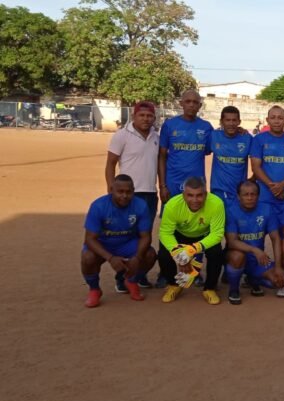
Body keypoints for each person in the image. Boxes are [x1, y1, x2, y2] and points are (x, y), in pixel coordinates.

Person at [157, 90, 213, 288]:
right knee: (169, 230)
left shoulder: (206, 128)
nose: (191, 105)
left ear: (199, 105)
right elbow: (162, 156)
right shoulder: (170, 125)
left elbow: (213, 147)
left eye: (195, 102)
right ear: (181, 103)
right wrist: (162, 185)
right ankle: (166, 272)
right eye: (187, 101)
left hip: (197, 188)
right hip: (172, 185)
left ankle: (193, 271)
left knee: (198, 229)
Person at [105, 101, 159, 290]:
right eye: (142, 115)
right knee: (128, 237)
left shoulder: (156, 136)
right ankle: (122, 279)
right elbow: (111, 163)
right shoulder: (122, 135)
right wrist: (111, 189)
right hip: (128, 196)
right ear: (134, 116)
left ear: (154, 117)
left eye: (149, 116)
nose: (146, 119)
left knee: (145, 237)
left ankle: (137, 276)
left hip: (150, 194)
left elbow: (158, 164)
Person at [81, 175, 156, 307]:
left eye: (128, 192)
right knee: (88, 257)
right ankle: (94, 290)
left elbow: (146, 236)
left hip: (127, 243)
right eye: (120, 192)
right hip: (103, 244)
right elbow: (90, 239)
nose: (124, 196)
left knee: (150, 255)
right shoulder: (98, 206)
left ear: (133, 190)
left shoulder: (140, 205)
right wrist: (110, 258)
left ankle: (131, 280)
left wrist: (137, 257)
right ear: (111, 190)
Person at [250, 105, 284, 284]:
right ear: (267, 120)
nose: (277, 120)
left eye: (280, 117)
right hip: (264, 198)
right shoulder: (259, 140)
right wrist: (273, 187)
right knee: (258, 235)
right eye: (273, 117)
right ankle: (251, 272)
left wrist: (283, 185)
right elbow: (255, 166)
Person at [157, 176, 225, 305]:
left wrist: (192, 249)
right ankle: (174, 285)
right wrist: (180, 255)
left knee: (216, 253)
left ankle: (209, 288)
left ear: (206, 194)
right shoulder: (172, 205)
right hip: (180, 234)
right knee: (163, 254)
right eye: (190, 195)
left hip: (204, 235)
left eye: (199, 195)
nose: (195, 200)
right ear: (183, 195)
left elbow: (217, 233)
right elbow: (165, 233)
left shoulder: (216, 203)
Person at [224, 180, 284, 304]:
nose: (250, 198)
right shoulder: (231, 211)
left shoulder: (267, 209)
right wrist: (254, 250)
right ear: (238, 196)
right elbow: (232, 242)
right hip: (238, 256)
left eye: (253, 194)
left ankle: (252, 280)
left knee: (279, 281)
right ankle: (234, 290)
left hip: (258, 260)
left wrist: (278, 267)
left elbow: (275, 239)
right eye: (246, 194)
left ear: (258, 196)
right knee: (238, 256)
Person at [209, 106, 251, 207]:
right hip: (218, 191)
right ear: (221, 121)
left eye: (234, 120)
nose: (231, 123)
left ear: (239, 122)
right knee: (219, 222)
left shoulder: (247, 138)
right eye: (227, 120)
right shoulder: (213, 136)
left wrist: (252, 180)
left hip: (239, 193)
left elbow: (259, 161)